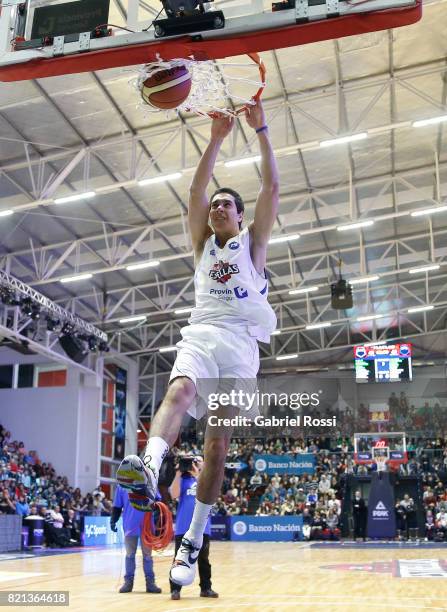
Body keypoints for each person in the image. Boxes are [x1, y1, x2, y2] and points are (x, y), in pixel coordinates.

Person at [117, 99, 279, 587]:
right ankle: (147, 467)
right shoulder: (201, 243)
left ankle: (192, 539)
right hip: (203, 333)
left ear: (241, 215)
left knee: (216, 447)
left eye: (226, 203)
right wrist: (214, 138)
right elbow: (194, 189)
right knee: (179, 392)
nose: (217, 206)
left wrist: (261, 129)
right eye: (215, 204)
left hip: (240, 347)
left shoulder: (253, 247)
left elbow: (272, 186)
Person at [169, 456, 218, 600]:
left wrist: (198, 474)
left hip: (203, 528)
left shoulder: (205, 480)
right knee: (179, 559)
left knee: (203, 559)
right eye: (192, 461)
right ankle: (175, 590)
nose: (194, 463)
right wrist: (178, 472)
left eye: (198, 461)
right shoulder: (182, 480)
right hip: (184, 527)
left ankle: (206, 588)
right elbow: (173, 494)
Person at [111, 485, 161, 594]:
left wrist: (157, 522)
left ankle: (150, 583)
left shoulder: (151, 482)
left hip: (147, 526)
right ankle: (128, 582)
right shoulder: (122, 485)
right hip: (130, 525)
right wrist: (113, 519)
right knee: (130, 555)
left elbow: (157, 504)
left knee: (147, 555)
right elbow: (117, 506)